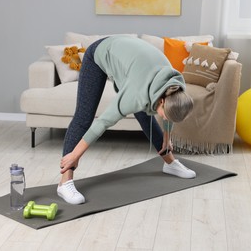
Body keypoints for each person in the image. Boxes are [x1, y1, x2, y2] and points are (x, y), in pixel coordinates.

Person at [57, 35, 196, 205]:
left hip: (133, 62)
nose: (164, 118)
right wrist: (75, 156)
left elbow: (171, 111)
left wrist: (167, 138)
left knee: (146, 117)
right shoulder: (135, 94)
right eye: (164, 114)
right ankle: (64, 181)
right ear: (161, 101)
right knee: (84, 117)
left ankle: (169, 163)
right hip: (99, 54)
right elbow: (103, 123)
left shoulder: (175, 89)